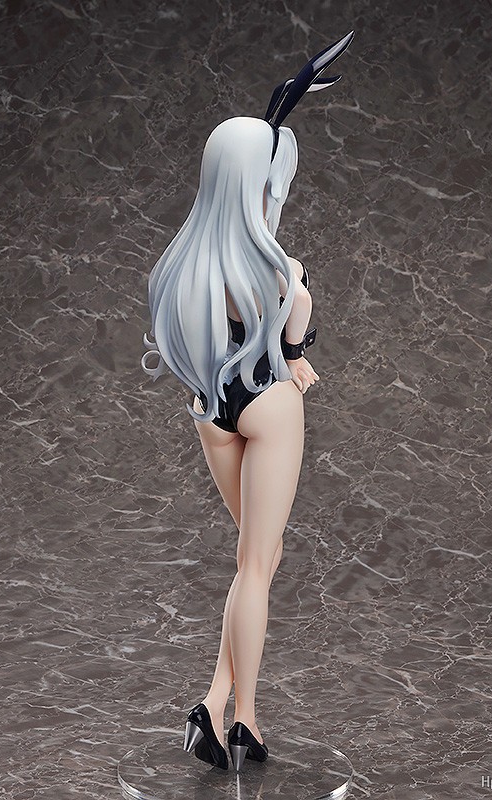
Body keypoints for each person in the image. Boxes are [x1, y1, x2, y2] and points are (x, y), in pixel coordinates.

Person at [141, 31, 355, 772]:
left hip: (214, 412)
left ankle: (210, 701)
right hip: (269, 406)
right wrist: (297, 346)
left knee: (253, 557)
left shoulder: (188, 263)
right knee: (258, 565)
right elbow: (294, 332)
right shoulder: (277, 267)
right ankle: (247, 722)